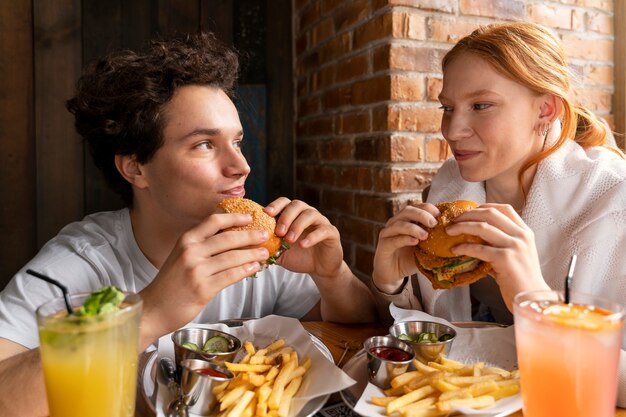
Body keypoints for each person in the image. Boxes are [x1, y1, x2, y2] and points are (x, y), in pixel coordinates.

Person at [0, 32, 377, 415]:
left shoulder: (259, 244)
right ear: (135, 168)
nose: (241, 166)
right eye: (204, 144)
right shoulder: (81, 263)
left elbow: (361, 328)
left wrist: (332, 276)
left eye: (238, 142)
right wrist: (146, 314)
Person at [369, 22, 626, 405]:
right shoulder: (445, 189)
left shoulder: (614, 200)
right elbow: (426, 339)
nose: (453, 130)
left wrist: (535, 300)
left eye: (481, 106)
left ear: (545, 108)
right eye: (448, 108)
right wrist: (391, 284)